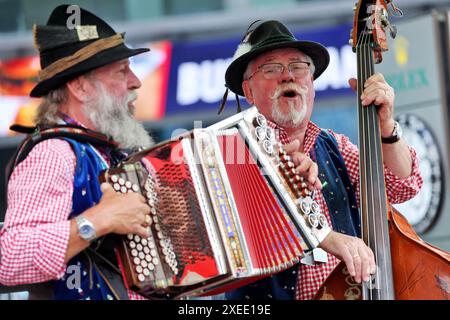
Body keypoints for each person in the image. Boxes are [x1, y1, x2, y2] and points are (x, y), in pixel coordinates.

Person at [222, 20, 423, 300]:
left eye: (298, 66)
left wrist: (386, 126)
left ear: (311, 83)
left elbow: (403, 186)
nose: (287, 76)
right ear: (248, 91)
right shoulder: (230, 149)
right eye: (270, 68)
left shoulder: (335, 145)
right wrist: (327, 237)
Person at [0, 5, 154, 300]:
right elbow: (10, 257)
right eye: (122, 71)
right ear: (80, 87)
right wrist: (98, 220)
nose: (135, 81)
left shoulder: (106, 151)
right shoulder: (54, 153)